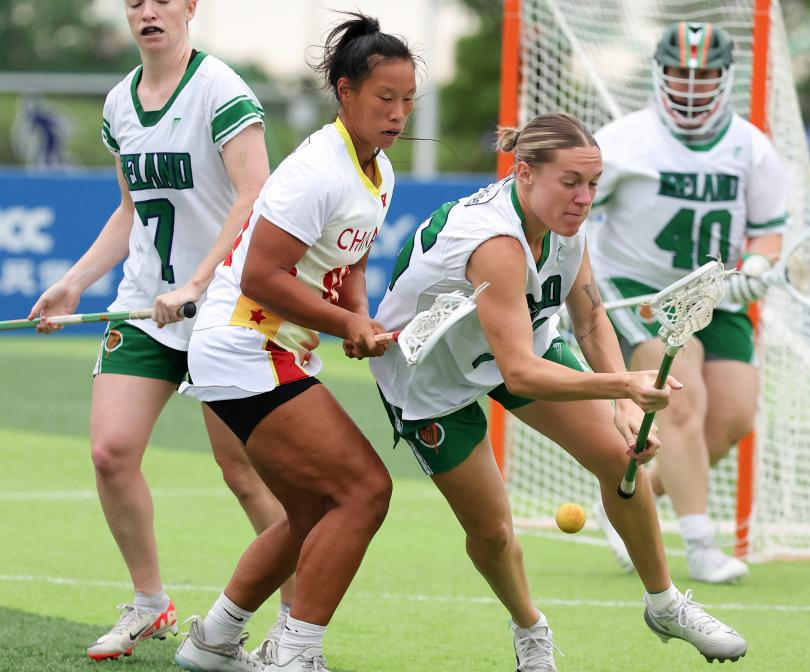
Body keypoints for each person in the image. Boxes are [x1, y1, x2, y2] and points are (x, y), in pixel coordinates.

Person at [370, 112, 748, 670]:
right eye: (571, 182)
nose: (584, 198)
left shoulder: (565, 225)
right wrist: (624, 381)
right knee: (492, 532)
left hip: (519, 340)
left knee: (620, 457)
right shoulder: (495, 243)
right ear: (524, 173)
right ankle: (530, 628)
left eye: (593, 183)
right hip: (430, 378)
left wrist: (623, 404)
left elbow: (590, 320)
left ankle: (665, 605)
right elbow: (520, 374)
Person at [27, 0, 294, 661]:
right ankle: (150, 605)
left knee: (244, 474)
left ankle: (295, 625)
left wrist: (199, 284)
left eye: (162, 0)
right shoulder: (119, 102)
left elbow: (255, 197)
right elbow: (130, 210)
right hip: (146, 306)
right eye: (135, 2)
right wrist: (74, 282)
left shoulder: (222, 91)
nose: (148, 11)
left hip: (223, 308)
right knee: (110, 452)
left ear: (189, 8)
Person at [173, 14, 416, 672]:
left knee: (311, 508)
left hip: (269, 347)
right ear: (345, 92)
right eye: (384, 98)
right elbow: (260, 275)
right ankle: (295, 653)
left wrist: (358, 316)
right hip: (245, 342)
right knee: (365, 491)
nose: (398, 113)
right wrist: (345, 326)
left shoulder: (380, 171)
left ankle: (214, 641)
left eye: (407, 99)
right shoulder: (317, 169)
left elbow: (351, 260)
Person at [590, 21, 789, 584]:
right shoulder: (623, 140)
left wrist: (757, 268)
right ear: (660, 73)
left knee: (731, 418)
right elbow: (573, 203)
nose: (693, 84)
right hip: (643, 290)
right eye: (681, 71)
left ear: (726, 77)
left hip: (716, 293)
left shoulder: (751, 147)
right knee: (680, 404)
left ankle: (624, 495)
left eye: (705, 73)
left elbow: (767, 232)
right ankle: (700, 545)